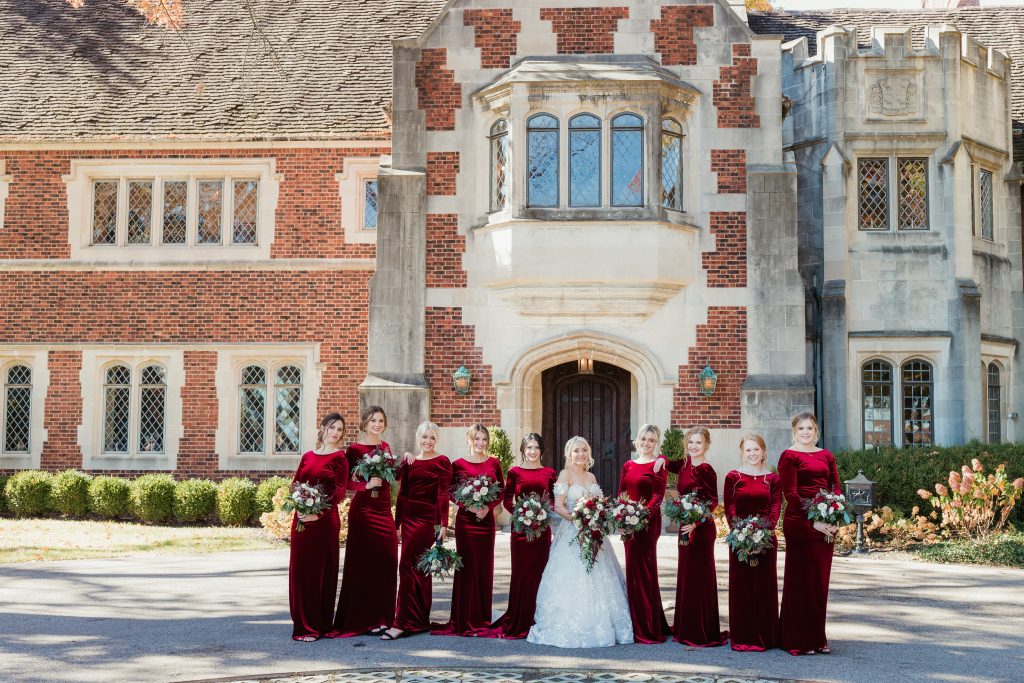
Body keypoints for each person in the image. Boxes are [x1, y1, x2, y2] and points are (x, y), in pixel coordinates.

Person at [527, 436, 633, 648]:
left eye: (584, 450)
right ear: (569, 454)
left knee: (599, 577)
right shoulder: (565, 474)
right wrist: (580, 521)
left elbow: (598, 505)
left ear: (589, 454)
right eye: (576, 451)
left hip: (593, 534)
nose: (580, 454)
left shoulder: (592, 477)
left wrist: (596, 519)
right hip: (572, 533)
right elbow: (558, 506)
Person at [329, 405, 398, 637]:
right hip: (364, 511)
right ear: (364, 424)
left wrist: (407, 460)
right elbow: (346, 482)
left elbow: (394, 476)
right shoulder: (354, 450)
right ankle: (363, 619)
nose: (377, 424)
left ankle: (383, 617)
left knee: (387, 561)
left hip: (383, 510)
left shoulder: (386, 448)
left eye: (380, 420)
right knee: (363, 565)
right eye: (372, 421)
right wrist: (365, 485)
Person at [481, 433, 557, 639]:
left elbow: (553, 500)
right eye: (529, 447)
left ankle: (538, 617)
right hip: (520, 530)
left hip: (541, 530)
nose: (532, 452)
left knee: (540, 573)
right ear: (523, 449)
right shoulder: (515, 471)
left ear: (542, 450)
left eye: (536, 448)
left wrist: (542, 513)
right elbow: (507, 499)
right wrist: (520, 514)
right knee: (522, 573)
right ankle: (520, 617)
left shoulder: (550, 472)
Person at [381, 422, 452, 640]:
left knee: (408, 566)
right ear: (418, 437)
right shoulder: (410, 461)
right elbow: (402, 492)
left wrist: (443, 524)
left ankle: (402, 622)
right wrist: (397, 523)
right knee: (420, 568)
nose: (428, 441)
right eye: (424, 437)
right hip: (409, 518)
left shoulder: (442, 462)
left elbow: (443, 495)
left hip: (426, 521)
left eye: (432, 437)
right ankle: (419, 619)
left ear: (436, 439)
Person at [432, 424, 504, 636]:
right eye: (476, 439)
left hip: (486, 522)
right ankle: (463, 618)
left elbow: (500, 491)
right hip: (466, 521)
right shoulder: (458, 464)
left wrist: (488, 507)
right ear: (469, 440)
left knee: (484, 568)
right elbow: (450, 492)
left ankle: (482, 617)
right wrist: (468, 505)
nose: (480, 443)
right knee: (466, 567)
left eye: (484, 439)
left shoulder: (494, 463)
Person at [778, 412, 841, 655]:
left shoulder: (826, 455)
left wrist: (834, 515)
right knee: (801, 580)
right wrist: (813, 521)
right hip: (800, 522)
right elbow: (791, 495)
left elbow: (835, 486)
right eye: (802, 428)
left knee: (819, 582)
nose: (806, 432)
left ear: (817, 431)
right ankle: (797, 639)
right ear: (795, 431)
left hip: (826, 522)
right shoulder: (789, 456)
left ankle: (817, 637)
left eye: (810, 428)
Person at [288, 412, 350, 641]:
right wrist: (301, 507)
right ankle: (302, 624)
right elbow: (295, 485)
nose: (335, 432)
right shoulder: (307, 456)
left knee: (320, 573)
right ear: (323, 428)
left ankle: (317, 626)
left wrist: (318, 513)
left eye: (339, 429)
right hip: (302, 520)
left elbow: (339, 492)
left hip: (324, 522)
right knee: (301, 572)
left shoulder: (340, 459)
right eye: (332, 427)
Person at [665, 426, 727, 647]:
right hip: (685, 525)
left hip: (701, 528)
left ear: (706, 445)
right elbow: (663, 460)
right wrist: (657, 459)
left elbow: (712, 501)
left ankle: (701, 630)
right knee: (686, 574)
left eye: (698, 443)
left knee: (700, 576)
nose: (694, 447)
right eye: (690, 442)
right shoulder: (683, 465)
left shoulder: (707, 469)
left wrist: (696, 521)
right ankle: (684, 626)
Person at [724, 433, 782, 652]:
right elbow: (730, 509)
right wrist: (741, 533)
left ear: (763, 451)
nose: (752, 454)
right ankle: (742, 636)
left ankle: (765, 636)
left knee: (763, 588)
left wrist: (763, 533)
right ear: (742, 452)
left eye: (756, 449)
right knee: (742, 588)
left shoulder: (773, 479)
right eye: (748, 450)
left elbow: (775, 509)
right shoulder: (733, 477)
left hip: (766, 540)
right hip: (739, 541)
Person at [617, 424, 670, 644]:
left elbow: (658, 497)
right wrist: (621, 517)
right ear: (637, 441)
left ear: (656, 443)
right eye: (643, 439)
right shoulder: (628, 465)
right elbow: (621, 492)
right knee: (632, 571)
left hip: (647, 525)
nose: (647, 444)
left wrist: (640, 518)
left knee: (646, 571)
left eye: (651, 440)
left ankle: (648, 625)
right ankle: (635, 621)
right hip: (629, 525)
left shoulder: (659, 465)